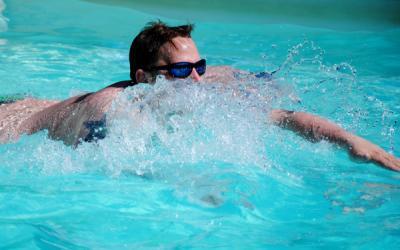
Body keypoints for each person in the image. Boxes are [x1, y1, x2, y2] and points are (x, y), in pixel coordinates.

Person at [0, 21, 399, 171]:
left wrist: (351, 141)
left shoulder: (197, 87)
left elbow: (282, 117)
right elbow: (104, 169)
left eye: (199, 67)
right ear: (144, 78)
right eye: (179, 71)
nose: (195, 81)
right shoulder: (110, 111)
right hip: (13, 121)